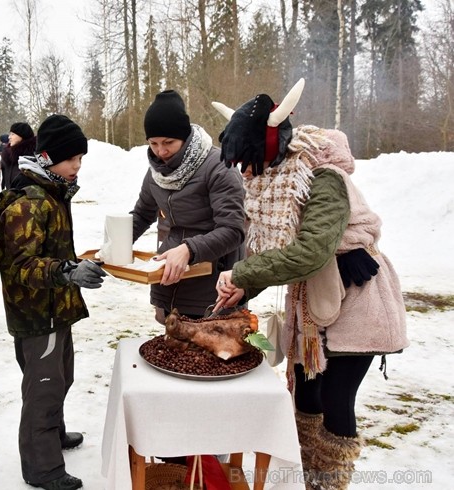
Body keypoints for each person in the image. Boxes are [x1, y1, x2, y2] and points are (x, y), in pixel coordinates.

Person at [211, 79, 409, 490]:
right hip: (314, 307)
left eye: (248, 161)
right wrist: (244, 289)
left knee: (336, 401)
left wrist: (243, 275)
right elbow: (279, 252)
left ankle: (329, 482)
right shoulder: (276, 184)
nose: (245, 172)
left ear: (268, 149)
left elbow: (310, 253)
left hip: (356, 302)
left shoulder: (323, 180)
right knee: (305, 395)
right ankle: (306, 477)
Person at [0, 114, 106, 490]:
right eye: (71, 158)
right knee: (43, 388)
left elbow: (53, 250)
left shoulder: (54, 192)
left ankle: (53, 435)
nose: (77, 166)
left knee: (63, 377)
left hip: (57, 308)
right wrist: (67, 272)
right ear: (46, 157)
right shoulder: (29, 201)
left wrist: (75, 267)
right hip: (36, 312)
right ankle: (42, 467)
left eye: (80, 159)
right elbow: (19, 267)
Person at [130, 89, 246, 324]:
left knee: (209, 354)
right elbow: (142, 214)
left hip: (213, 285)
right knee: (173, 351)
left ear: (185, 137)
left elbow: (233, 230)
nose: (160, 152)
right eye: (153, 143)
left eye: (168, 142)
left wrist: (188, 250)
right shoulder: (155, 173)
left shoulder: (219, 166)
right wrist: (115, 243)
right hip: (168, 279)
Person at [0, 122, 36, 190]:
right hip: (10, 197)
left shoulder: (32, 157)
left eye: (12, 134)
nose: (9, 137)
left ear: (22, 136)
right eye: (10, 134)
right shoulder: (7, 155)